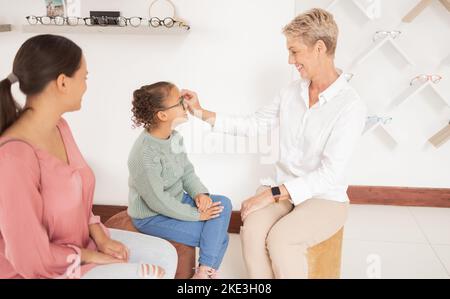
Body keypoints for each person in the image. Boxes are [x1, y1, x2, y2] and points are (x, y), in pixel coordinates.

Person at [182, 8, 368, 278]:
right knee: (253, 231)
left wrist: (270, 194)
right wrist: (201, 112)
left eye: (295, 51)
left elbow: (330, 175)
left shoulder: (350, 106)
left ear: (319, 48)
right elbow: (253, 124)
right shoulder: (292, 92)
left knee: (282, 240)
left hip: (324, 198)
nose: (290, 60)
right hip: (283, 190)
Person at [0, 34, 176, 279]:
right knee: (150, 274)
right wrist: (90, 256)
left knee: (165, 254)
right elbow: (29, 258)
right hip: (44, 269)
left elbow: (79, 197)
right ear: (62, 82)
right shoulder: (13, 156)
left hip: (80, 244)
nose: (85, 86)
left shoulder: (59, 126)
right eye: (84, 78)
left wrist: (101, 238)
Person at [127, 81, 232, 279]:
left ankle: (204, 271)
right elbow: (157, 201)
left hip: (177, 201)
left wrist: (200, 194)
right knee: (219, 237)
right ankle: (204, 273)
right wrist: (196, 215)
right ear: (163, 115)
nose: (186, 104)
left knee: (224, 204)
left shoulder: (174, 137)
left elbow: (187, 172)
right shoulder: (144, 154)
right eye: (180, 101)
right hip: (152, 216)